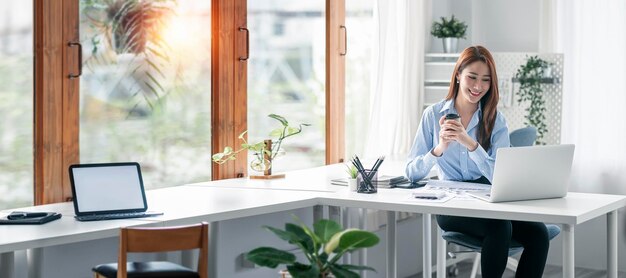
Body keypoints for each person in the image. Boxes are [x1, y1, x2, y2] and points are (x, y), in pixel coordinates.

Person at [405, 46, 549, 278]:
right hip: (451, 205)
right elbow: (411, 173)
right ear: (458, 74)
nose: (478, 86)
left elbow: (500, 177)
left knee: (538, 234)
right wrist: (439, 148)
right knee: (500, 226)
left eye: (486, 80)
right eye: (472, 77)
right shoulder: (432, 115)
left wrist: (470, 143)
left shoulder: (496, 120)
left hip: (487, 200)